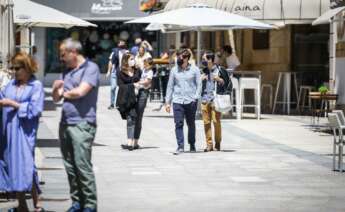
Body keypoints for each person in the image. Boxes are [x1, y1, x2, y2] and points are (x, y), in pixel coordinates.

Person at [52, 38, 100, 212]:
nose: (61, 58)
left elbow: (81, 92)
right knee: (70, 167)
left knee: (82, 166)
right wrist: (56, 90)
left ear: (73, 52)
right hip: (65, 123)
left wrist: (62, 91)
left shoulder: (91, 68)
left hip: (83, 124)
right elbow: (56, 97)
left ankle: (89, 205)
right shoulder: (66, 72)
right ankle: (77, 202)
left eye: (63, 54)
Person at [0, 52, 45, 212]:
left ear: (26, 68)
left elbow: (36, 109)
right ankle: (23, 205)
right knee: (13, 166)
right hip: (9, 131)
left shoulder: (36, 86)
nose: (14, 71)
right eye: (12, 68)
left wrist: (13, 104)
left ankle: (35, 201)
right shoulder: (10, 85)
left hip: (25, 132)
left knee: (26, 165)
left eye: (17, 68)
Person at [165, 48, 202, 155]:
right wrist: (167, 102)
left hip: (191, 101)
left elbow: (199, 85)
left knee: (191, 124)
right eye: (178, 56)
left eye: (180, 56)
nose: (178, 59)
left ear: (186, 58)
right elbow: (170, 86)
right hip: (177, 101)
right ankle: (180, 146)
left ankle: (192, 143)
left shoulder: (195, 70)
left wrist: (195, 98)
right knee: (178, 124)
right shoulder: (174, 70)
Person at [200, 51, 231, 152]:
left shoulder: (219, 70)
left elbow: (226, 83)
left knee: (216, 121)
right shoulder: (203, 71)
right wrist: (200, 79)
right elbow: (197, 84)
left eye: (204, 59)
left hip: (215, 99)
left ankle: (217, 143)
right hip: (204, 99)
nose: (202, 61)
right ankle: (209, 144)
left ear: (210, 60)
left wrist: (219, 79)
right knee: (206, 122)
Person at [116, 53, 142, 151]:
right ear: (125, 60)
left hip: (137, 98)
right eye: (131, 59)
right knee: (130, 119)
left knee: (135, 119)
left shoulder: (137, 70)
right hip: (126, 99)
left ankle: (133, 142)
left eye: (134, 59)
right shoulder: (120, 72)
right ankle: (130, 142)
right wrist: (133, 85)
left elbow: (141, 81)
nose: (133, 60)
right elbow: (120, 85)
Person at [106, 40, 127, 110]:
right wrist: (108, 71)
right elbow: (111, 62)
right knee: (113, 88)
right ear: (118, 44)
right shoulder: (114, 52)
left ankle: (121, 103)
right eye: (121, 42)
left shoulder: (127, 52)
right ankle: (112, 104)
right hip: (114, 72)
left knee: (122, 88)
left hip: (123, 73)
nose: (122, 43)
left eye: (123, 42)